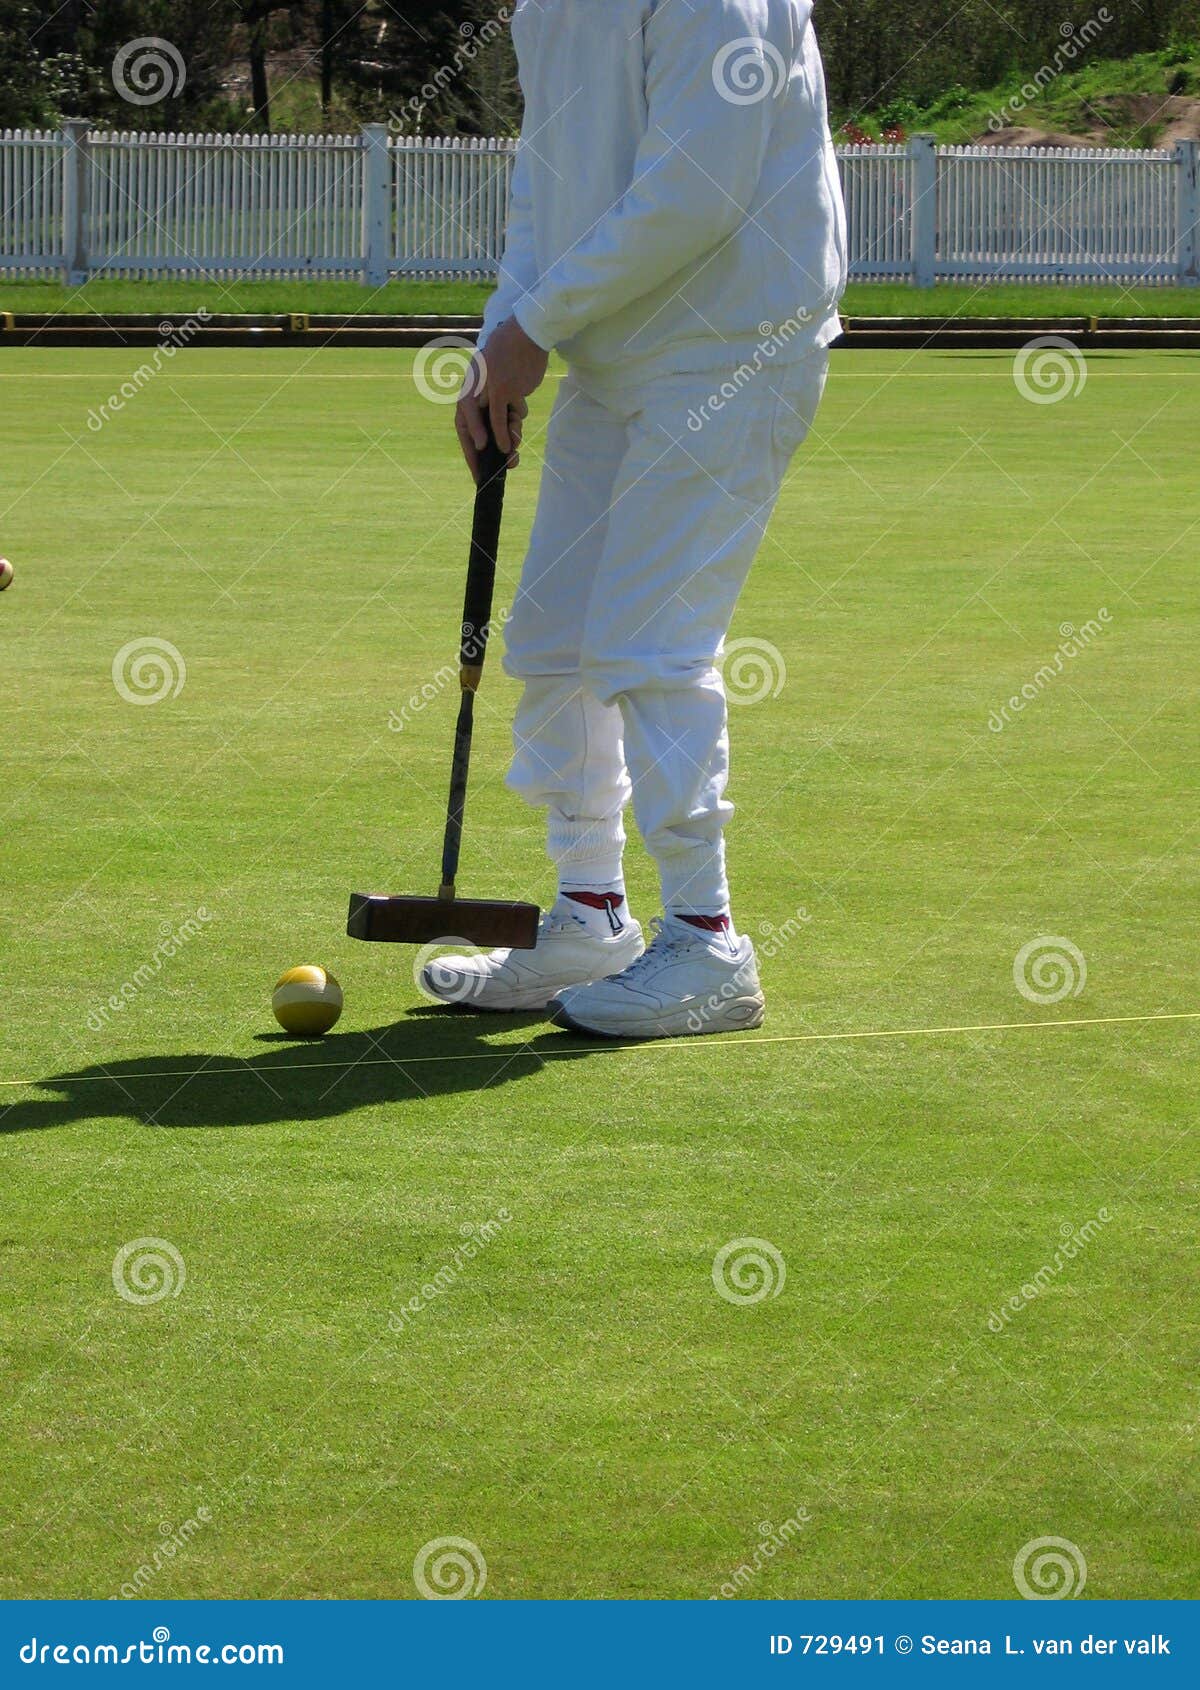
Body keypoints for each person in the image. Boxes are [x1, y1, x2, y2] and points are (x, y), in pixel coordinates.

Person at [428, 0, 846, 1038]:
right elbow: (548, 181)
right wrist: (501, 340)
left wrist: (539, 322)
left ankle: (707, 944)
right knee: (558, 634)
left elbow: (698, 190)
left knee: (651, 642)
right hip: (611, 350)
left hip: (734, 342)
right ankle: (590, 914)